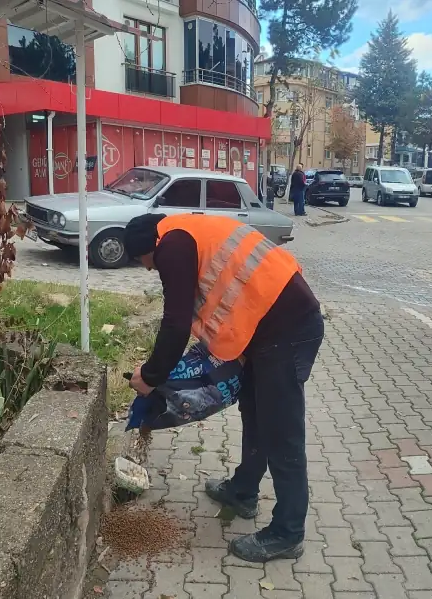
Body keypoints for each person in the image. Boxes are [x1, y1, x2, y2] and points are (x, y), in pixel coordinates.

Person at [124, 212, 324, 563]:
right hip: (263, 330)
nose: (147, 270)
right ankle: (243, 491)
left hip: (288, 329)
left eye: (143, 263)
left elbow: (175, 324)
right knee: (255, 413)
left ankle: (288, 533)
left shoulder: (172, 246)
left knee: (281, 432)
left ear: (147, 248)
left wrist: (151, 376)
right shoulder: (182, 234)